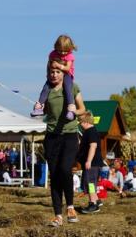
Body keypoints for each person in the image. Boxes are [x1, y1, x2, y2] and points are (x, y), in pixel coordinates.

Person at [44, 63, 86, 225]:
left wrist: (74, 111)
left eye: (57, 72)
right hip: (52, 137)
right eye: (51, 72)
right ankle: (57, 215)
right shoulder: (47, 90)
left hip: (69, 135)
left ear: (63, 74)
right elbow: (47, 111)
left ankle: (70, 207)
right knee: (54, 175)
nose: (54, 75)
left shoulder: (72, 88)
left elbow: (83, 109)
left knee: (64, 169)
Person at [32, 34, 77, 118]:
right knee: (46, 87)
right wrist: (48, 74)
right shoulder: (52, 54)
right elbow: (48, 64)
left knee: (67, 88)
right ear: (56, 47)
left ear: (70, 49)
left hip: (67, 74)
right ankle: (39, 106)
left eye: (65, 51)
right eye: (60, 51)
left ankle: (71, 108)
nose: (63, 53)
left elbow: (67, 68)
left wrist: (59, 66)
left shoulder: (70, 56)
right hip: (54, 73)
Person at [77, 111, 102, 214]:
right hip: (93, 163)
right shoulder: (90, 131)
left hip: (92, 163)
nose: (80, 124)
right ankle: (96, 200)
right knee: (91, 183)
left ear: (86, 122)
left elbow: (93, 146)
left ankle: (93, 204)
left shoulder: (91, 131)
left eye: (81, 122)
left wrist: (88, 161)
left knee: (90, 183)